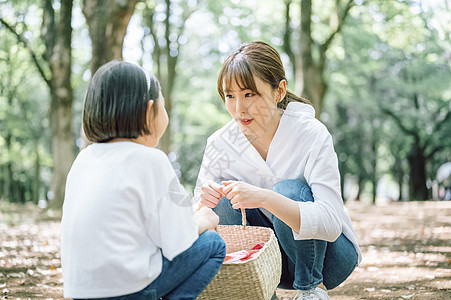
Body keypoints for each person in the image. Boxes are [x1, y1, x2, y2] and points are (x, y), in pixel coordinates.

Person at [196, 41, 361, 300]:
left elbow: (330, 223)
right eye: (230, 96)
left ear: (279, 91)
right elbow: (197, 219)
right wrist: (203, 204)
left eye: (249, 94)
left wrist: (264, 197)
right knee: (222, 198)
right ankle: (255, 292)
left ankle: (311, 290)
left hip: (330, 258)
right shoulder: (220, 144)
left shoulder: (311, 133)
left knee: (288, 190)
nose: (239, 108)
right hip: (266, 264)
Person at [61, 60, 226, 300]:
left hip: (80, 290)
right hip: (127, 290)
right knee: (213, 243)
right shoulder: (151, 160)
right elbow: (180, 238)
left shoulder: (83, 160)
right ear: (150, 111)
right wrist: (202, 219)